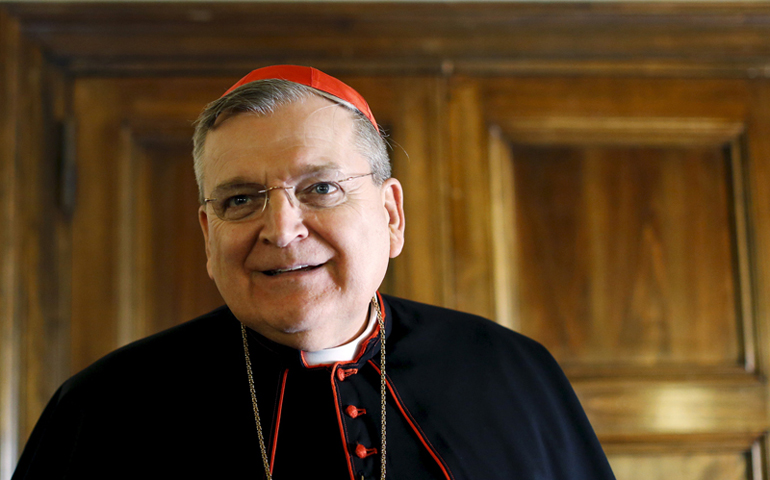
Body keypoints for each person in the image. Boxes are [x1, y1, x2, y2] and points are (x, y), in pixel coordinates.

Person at [13, 65, 616, 480]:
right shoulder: (104, 410)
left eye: (321, 187)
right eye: (241, 199)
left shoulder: (515, 373)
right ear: (208, 234)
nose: (281, 230)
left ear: (390, 214)